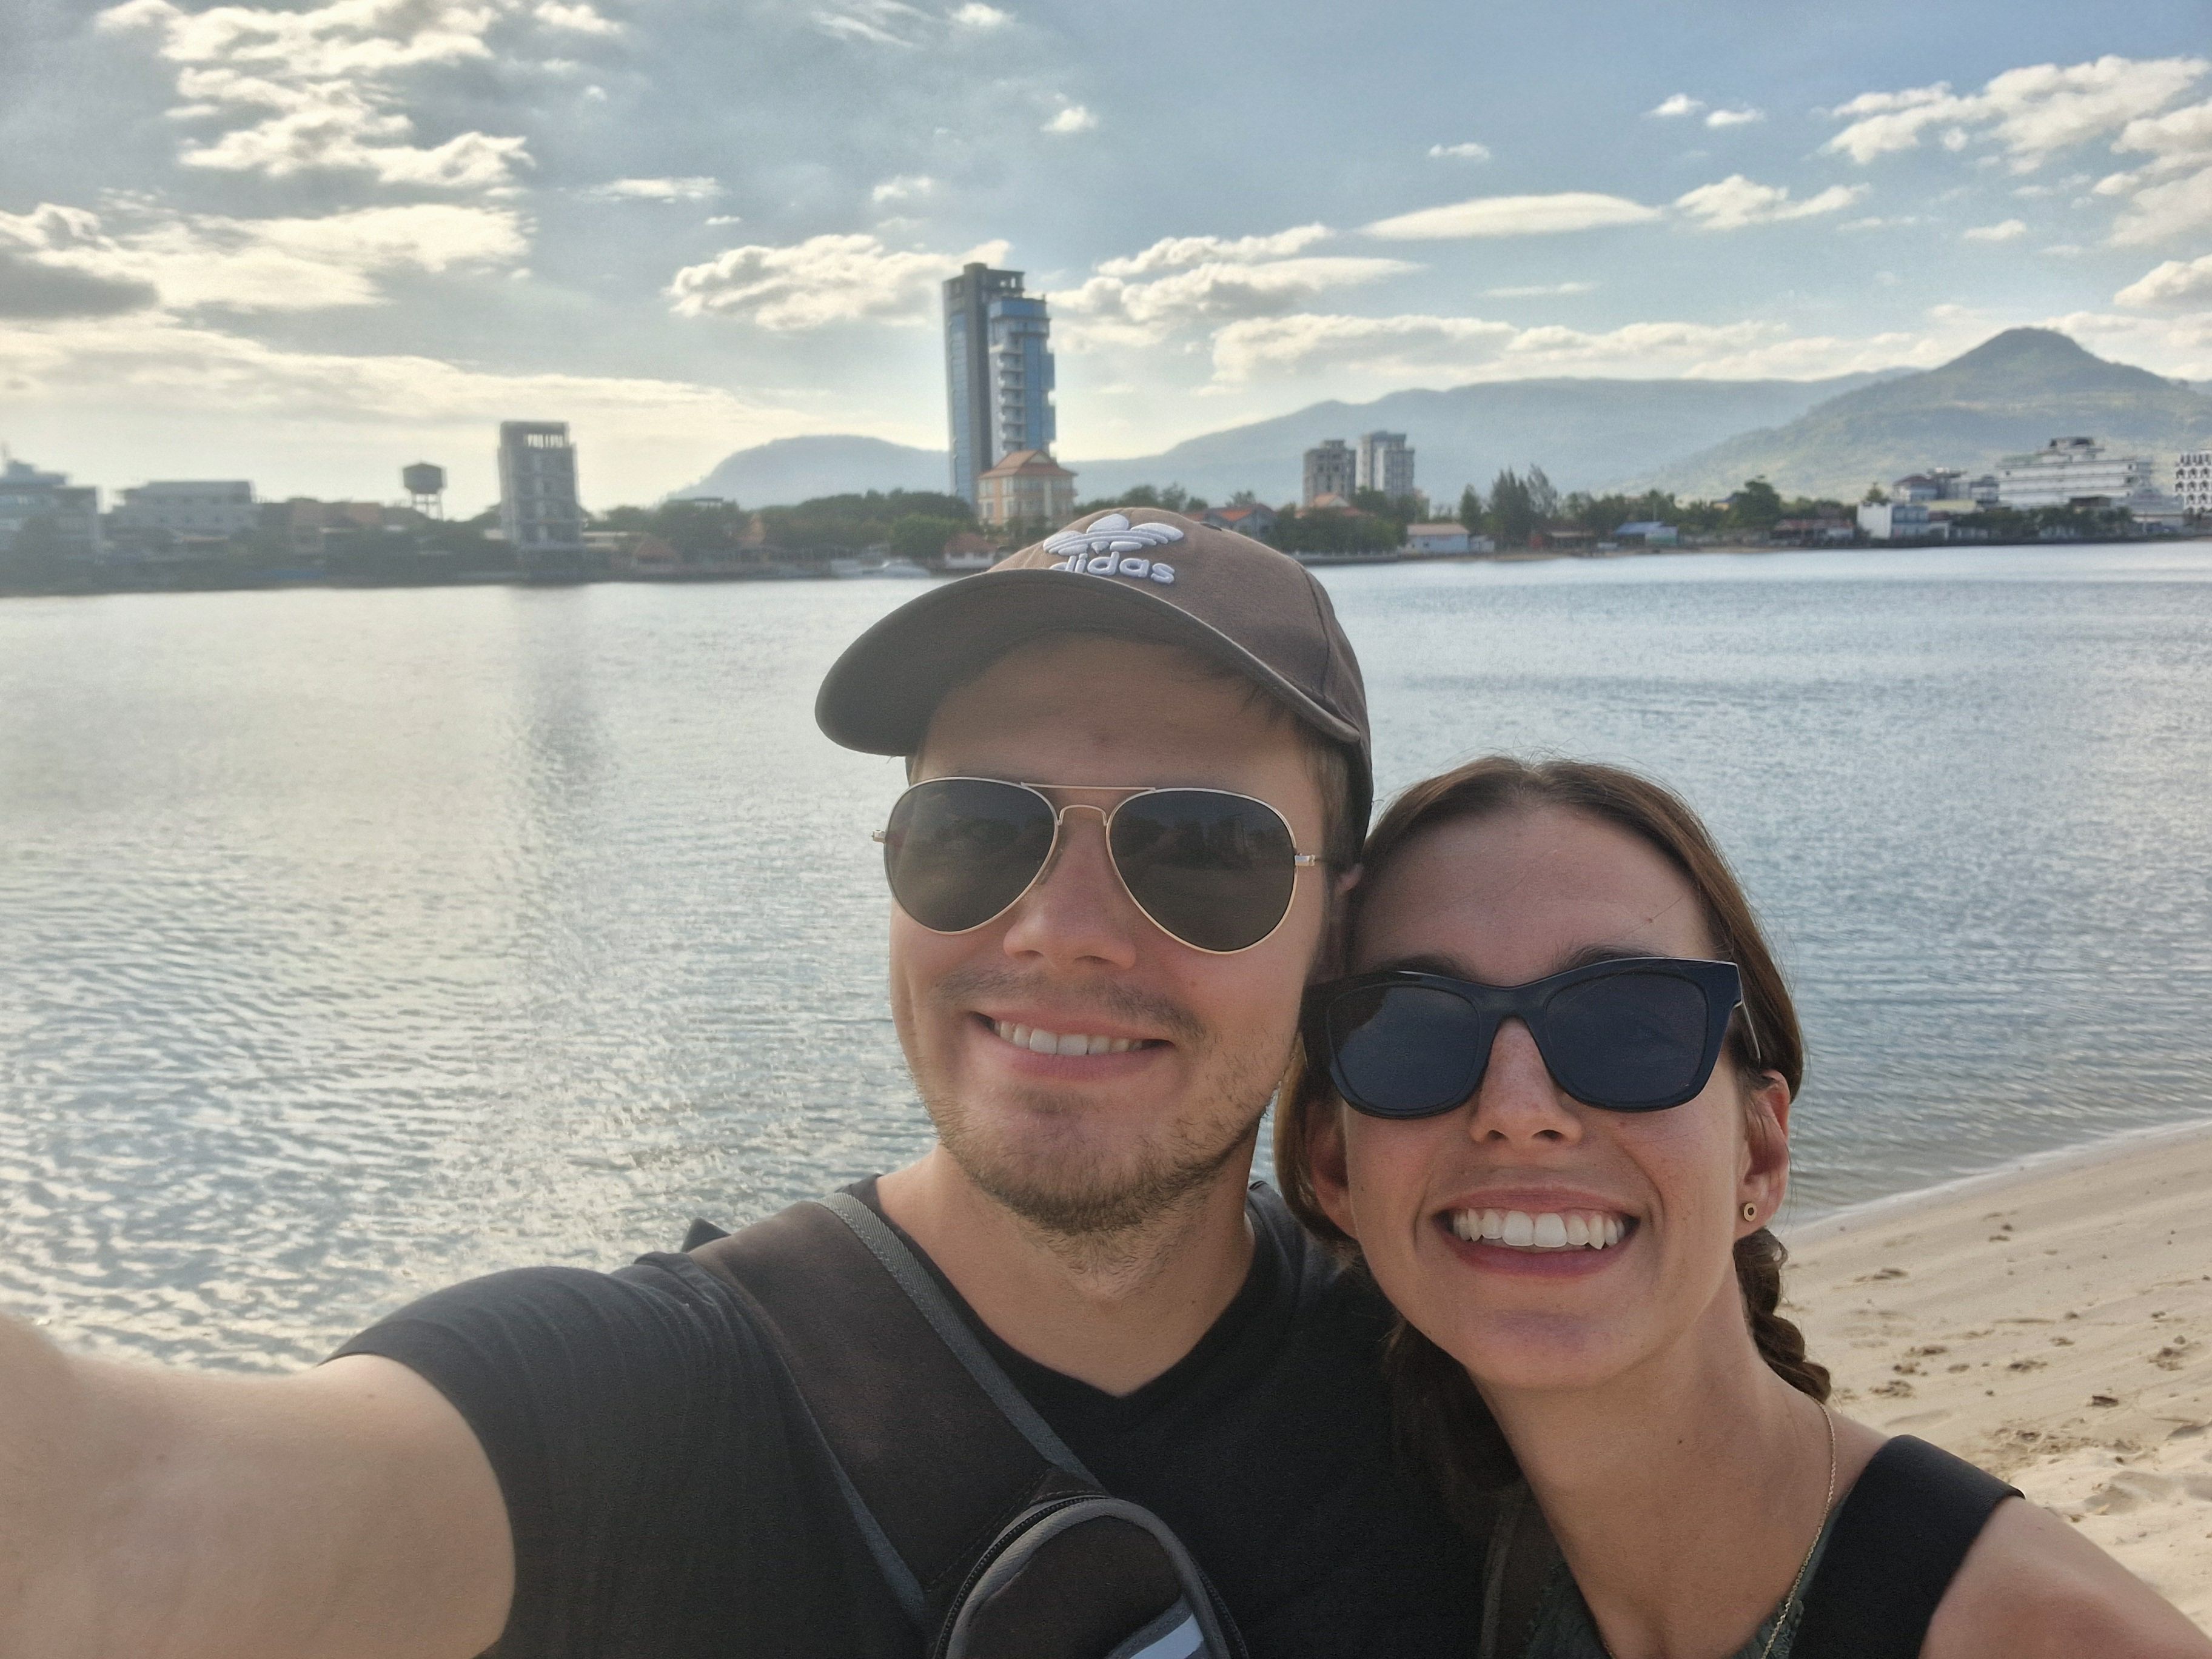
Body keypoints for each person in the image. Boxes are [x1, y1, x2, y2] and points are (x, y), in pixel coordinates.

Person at [0, 510, 1484, 1658]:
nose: (1059, 931)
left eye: (1201, 849)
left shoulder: (1449, 1383)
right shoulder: (635, 1418)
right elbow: (108, 1522)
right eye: (977, 831)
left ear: (1336, 925)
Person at [1275, 755, 2211, 1659]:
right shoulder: (1451, 1566)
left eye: (1630, 1024)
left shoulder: (2052, 1639)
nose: (1517, 1109)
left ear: (1758, 1155)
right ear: (1332, 1165)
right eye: (1412, 1027)